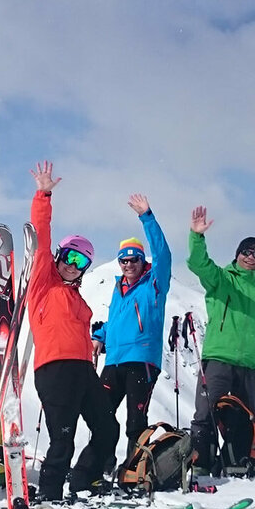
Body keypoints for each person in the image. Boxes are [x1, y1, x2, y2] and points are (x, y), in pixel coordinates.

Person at [28, 161, 119, 501]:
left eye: (81, 263)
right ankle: (49, 494)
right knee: (62, 438)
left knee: (108, 428)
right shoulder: (42, 283)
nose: (72, 265)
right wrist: (44, 194)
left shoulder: (76, 297)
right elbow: (41, 235)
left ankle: (85, 479)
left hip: (83, 371)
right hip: (55, 370)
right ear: (58, 256)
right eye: (69, 257)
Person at [187, 206, 255, 472]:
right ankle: (201, 464)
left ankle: (238, 461)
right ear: (237, 254)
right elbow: (199, 264)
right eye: (246, 252)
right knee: (206, 414)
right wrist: (197, 237)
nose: (250, 257)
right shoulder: (222, 280)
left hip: (249, 365)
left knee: (248, 419)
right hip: (218, 359)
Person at [92, 193, 172, 463]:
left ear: (142, 261)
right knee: (101, 416)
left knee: (135, 422)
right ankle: (99, 468)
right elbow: (116, 321)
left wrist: (146, 217)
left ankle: (133, 471)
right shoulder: (118, 289)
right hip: (114, 360)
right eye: (123, 261)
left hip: (142, 360)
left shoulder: (154, 285)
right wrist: (99, 336)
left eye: (133, 260)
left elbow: (163, 254)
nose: (128, 265)